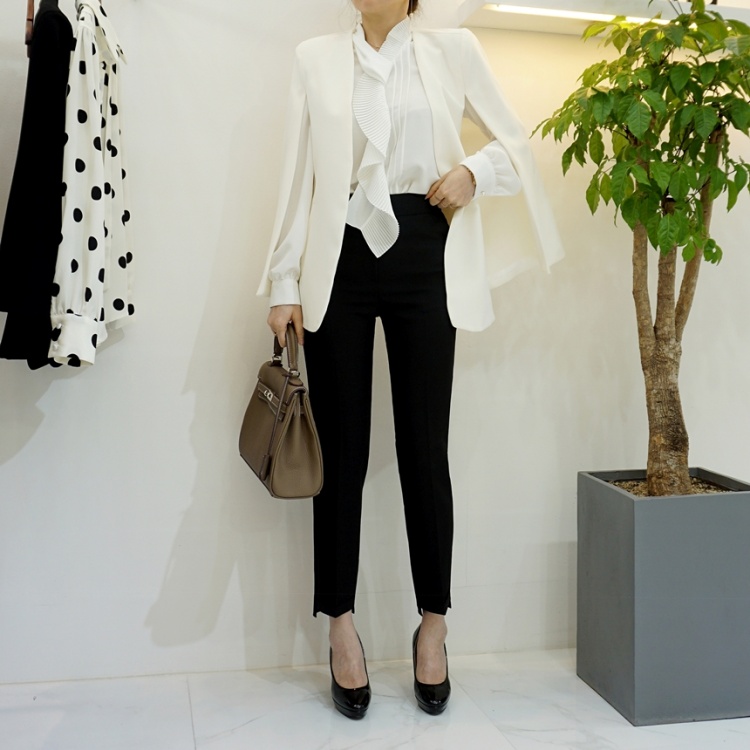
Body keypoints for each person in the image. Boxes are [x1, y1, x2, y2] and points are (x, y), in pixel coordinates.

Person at [257, 0, 563, 720]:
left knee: (425, 447)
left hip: (427, 246)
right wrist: (283, 281)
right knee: (341, 453)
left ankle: (434, 624)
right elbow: (297, 178)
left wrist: (473, 171)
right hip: (340, 255)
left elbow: (516, 142)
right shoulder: (314, 60)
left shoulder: (453, 50)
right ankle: (340, 625)